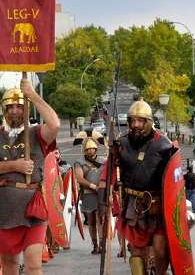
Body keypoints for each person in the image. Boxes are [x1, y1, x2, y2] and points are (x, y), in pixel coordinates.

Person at [0, 79, 60, 275]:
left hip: (33, 207)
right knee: (10, 266)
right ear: (3, 109)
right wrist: (14, 165)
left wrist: (32, 95)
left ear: (26, 108)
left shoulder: (37, 134)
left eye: (19, 106)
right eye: (10, 106)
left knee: (33, 264)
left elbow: (54, 124)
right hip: (5, 208)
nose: (14, 111)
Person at [112, 99, 177, 275]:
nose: (136, 125)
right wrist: (114, 155)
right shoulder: (122, 143)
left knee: (160, 250)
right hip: (134, 204)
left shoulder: (163, 145)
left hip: (158, 205)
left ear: (148, 122)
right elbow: (113, 173)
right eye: (132, 120)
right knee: (137, 252)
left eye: (140, 121)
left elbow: (174, 177)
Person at [73, 130, 106, 254]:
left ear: (96, 149)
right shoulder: (80, 162)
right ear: (84, 151)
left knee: (100, 220)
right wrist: (93, 186)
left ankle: (102, 244)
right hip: (88, 194)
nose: (90, 151)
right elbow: (79, 178)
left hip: (101, 194)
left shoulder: (104, 161)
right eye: (87, 149)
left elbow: (109, 175)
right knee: (91, 220)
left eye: (92, 149)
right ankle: (95, 245)